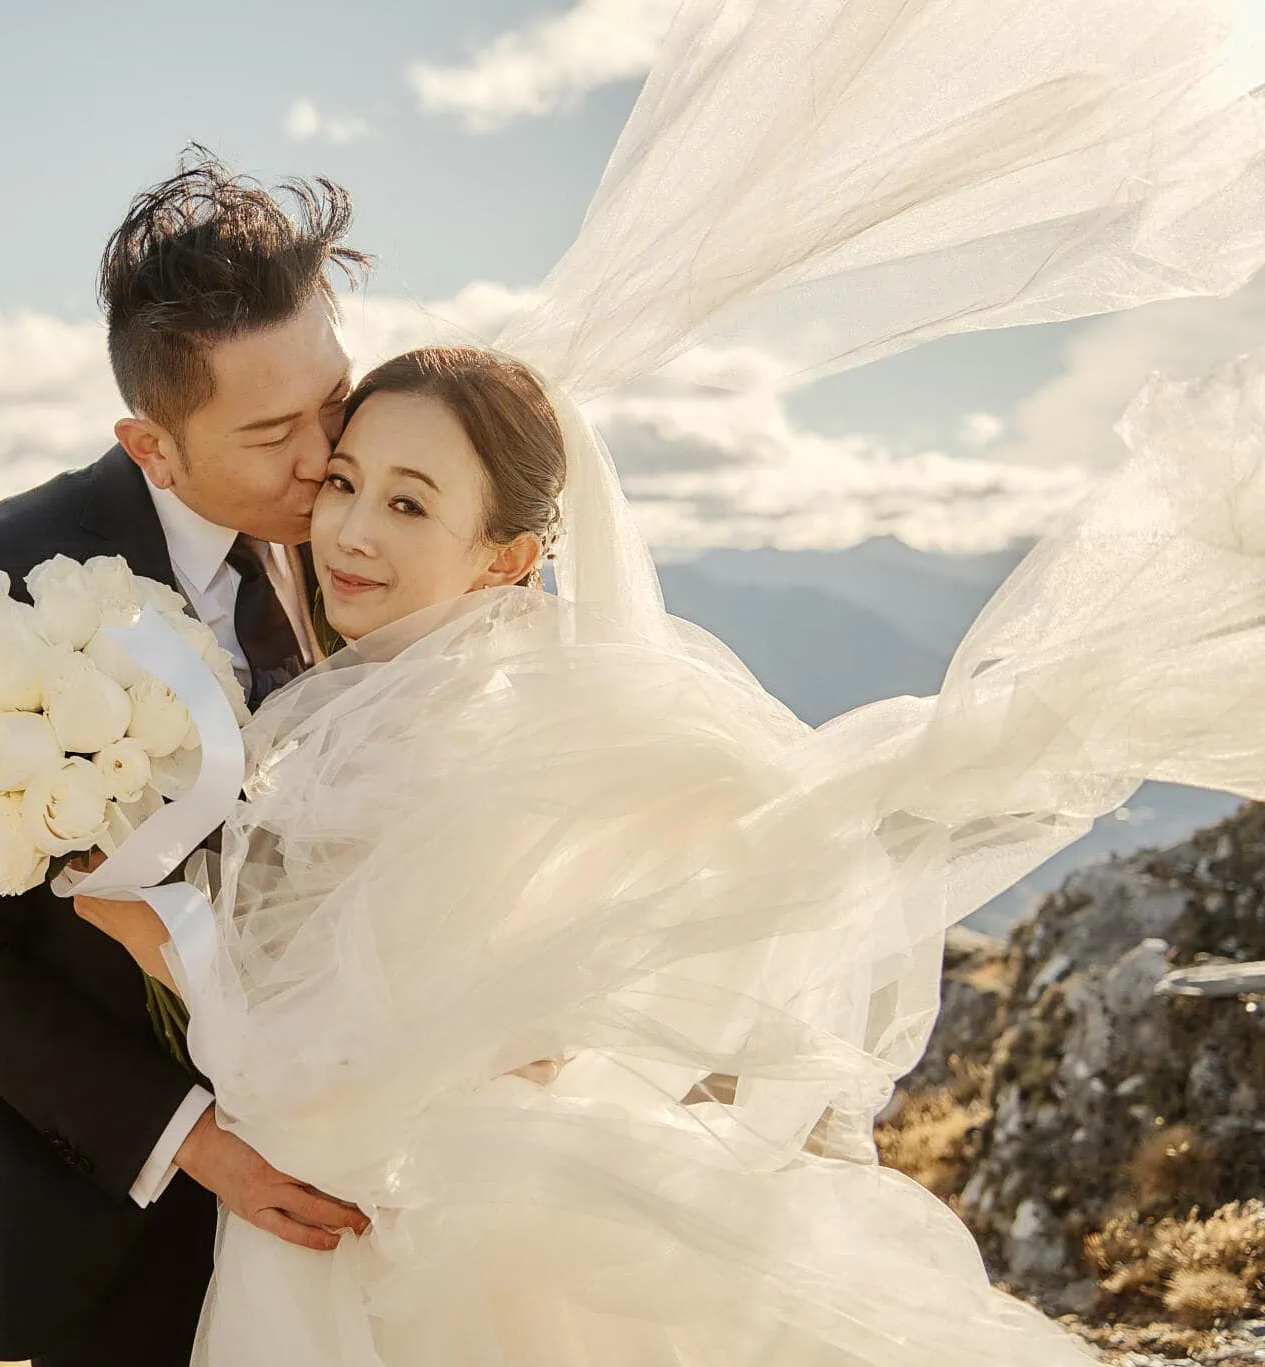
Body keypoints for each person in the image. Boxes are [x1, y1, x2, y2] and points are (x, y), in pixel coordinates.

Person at [62, 1, 1265, 1361]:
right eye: (342, 477)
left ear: (510, 556)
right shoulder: (395, 694)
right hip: (352, 1217)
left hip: (383, 1244)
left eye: (409, 504)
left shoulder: (456, 735)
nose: (344, 525)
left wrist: (137, 919)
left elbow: (319, 1041)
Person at [0, 151, 372, 1367]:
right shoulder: (6, 581)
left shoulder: (369, 516)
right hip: (124, 1228)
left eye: (333, 400)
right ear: (149, 445)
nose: (324, 458)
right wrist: (199, 1142)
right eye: (271, 433)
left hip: (365, 1172)